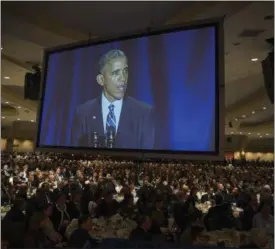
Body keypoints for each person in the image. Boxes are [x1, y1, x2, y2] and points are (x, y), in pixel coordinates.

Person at [71, 49, 155, 149]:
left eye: (125, 71)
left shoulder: (144, 113)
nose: (123, 78)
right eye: (116, 73)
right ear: (101, 80)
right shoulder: (83, 112)